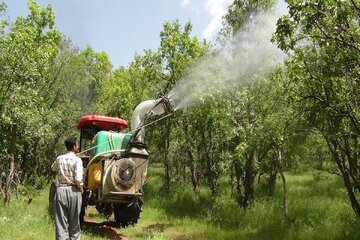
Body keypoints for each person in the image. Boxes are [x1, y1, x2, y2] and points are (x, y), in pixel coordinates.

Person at [51, 136, 83, 240]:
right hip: (74, 191)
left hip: (60, 191)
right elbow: (78, 179)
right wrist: (81, 189)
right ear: (74, 147)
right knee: (74, 223)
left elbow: (53, 168)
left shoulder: (59, 158)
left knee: (61, 223)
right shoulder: (78, 160)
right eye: (76, 144)